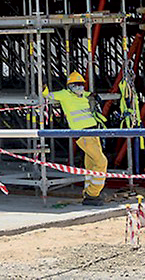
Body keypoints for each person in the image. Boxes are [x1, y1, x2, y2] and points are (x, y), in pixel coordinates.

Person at [44, 71, 106, 200]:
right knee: (101, 162)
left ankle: (88, 192)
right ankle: (93, 193)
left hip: (94, 132)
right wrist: (43, 86)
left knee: (91, 165)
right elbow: (47, 95)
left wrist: (94, 95)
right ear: (69, 87)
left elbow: (88, 94)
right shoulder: (64, 95)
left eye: (81, 85)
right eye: (75, 85)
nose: (79, 88)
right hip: (82, 134)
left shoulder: (83, 95)